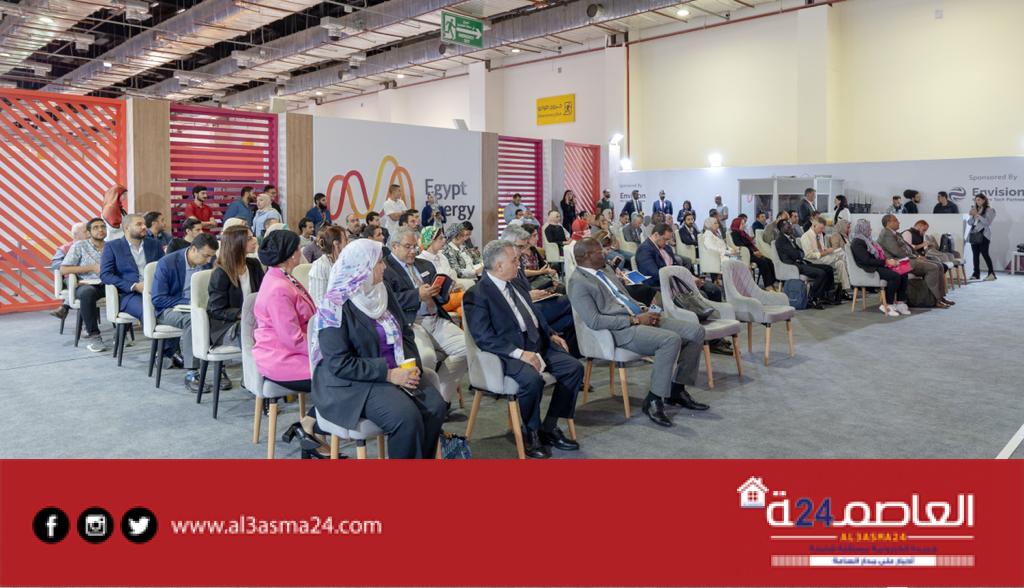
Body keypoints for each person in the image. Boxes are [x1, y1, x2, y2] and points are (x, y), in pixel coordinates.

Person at [311, 239, 446, 459]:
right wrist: (389, 374)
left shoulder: (382, 291)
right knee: (406, 417)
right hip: (354, 382)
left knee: (436, 407)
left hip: (394, 371)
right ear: (361, 267)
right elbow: (339, 363)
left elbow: (405, 333)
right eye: (379, 262)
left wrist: (411, 366)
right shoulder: (334, 304)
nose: (385, 267)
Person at [463, 240, 582, 458]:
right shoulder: (477, 294)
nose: (519, 264)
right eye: (514, 260)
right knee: (531, 379)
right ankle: (531, 432)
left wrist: (551, 334)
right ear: (499, 266)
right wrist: (520, 354)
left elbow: (534, 315)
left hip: (537, 343)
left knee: (573, 368)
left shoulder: (516, 283)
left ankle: (549, 426)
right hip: (508, 353)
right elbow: (484, 337)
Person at [569, 238, 707, 426]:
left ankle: (676, 390)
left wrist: (643, 309)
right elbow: (594, 321)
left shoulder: (605, 270)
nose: (606, 253)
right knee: (670, 340)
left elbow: (623, 297)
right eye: (600, 251)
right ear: (586, 256)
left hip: (638, 317)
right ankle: (654, 399)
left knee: (696, 331)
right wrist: (634, 320)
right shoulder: (578, 283)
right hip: (620, 330)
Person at [384, 228, 468, 404]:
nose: (413, 251)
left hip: (435, 317)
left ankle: (440, 399)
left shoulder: (425, 265)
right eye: (408, 247)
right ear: (394, 246)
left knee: (469, 348)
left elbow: (441, 299)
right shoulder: (385, 268)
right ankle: (424, 402)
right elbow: (388, 301)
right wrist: (417, 295)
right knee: (426, 358)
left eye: (415, 246)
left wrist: (442, 291)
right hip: (411, 323)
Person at [253, 230, 317, 399]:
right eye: (298, 248)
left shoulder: (282, 278)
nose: (301, 252)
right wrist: (324, 348)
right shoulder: (279, 289)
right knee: (342, 373)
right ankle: (316, 416)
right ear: (291, 255)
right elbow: (293, 339)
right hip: (282, 358)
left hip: (290, 351)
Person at [152, 233, 220, 391]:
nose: (209, 260)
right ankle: (192, 373)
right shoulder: (167, 263)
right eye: (206, 256)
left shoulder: (208, 263)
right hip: (169, 309)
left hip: (200, 306)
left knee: (221, 315)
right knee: (193, 319)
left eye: (211, 256)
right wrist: (189, 303)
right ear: (193, 249)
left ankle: (220, 368)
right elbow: (158, 299)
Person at [208, 225, 264, 349]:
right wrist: (244, 314)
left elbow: (263, 294)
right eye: (249, 238)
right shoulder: (221, 273)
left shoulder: (254, 265)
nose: (255, 240)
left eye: (253, 236)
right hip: (228, 326)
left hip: (253, 321)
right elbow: (216, 310)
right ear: (237, 244)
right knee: (257, 332)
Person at [877, 214, 952, 307]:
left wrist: (918, 255)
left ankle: (941, 297)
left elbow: (909, 247)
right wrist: (915, 257)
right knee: (933, 267)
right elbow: (897, 252)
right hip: (900, 262)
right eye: (896, 220)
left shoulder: (896, 233)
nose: (899, 222)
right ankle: (935, 300)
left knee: (940, 265)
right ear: (889, 223)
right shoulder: (886, 234)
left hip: (908, 259)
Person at [100, 213, 164, 320]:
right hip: (129, 294)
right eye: (139, 224)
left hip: (156, 290)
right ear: (126, 228)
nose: (144, 227)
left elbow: (164, 268)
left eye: (144, 224)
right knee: (148, 311)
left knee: (170, 309)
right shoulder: (113, 246)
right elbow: (105, 275)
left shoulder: (154, 244)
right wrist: (134, 286)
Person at [61, 218, 108, 352]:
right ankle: (94, 336)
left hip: (107, 283)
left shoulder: (111, 246)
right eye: (96, 228)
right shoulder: (80, 246)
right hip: (86, 284)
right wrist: (91, 267)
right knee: (87, 293)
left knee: (124, 289)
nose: (100, 230)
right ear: (88, 232)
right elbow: (64, 269)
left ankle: (123, 333)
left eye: (103, 227)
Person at [849, 219, 909, 316]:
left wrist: (889, 261)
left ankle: (900, 302)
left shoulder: (867, 240)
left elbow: (877, 257)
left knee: (903, 272)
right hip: (868, 269)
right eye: (868, 228)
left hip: (876, 265)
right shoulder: (857, 242)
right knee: (895, 276)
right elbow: (866, 260)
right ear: (862, 229)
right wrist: (886, 262)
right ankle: (887, 304)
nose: (870, 229)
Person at [775, 220, 836, 310]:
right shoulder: (781, 240)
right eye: (788, 226)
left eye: (790, 226)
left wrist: (799, 254)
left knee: (828, 268)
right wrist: (799, 254)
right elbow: (795, 254)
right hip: (793, 266)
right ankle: (813, 297)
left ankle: (826, 295)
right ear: (781, 228)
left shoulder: (790, 238)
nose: (791, 228)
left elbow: (801, 252)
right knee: (821, 273)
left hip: (801, 262)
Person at [417, 226, 469, 317]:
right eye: (440, 238)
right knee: (469, 296)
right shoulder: (420, 261)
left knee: (464, 309)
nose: (444, 240)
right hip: (437, 300)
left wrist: (453, 285)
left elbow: (450, 277)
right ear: (431, 241)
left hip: (452, 294)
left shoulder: (442, 257)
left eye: (443, 237)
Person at [799, 217, 851, 295]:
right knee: (842, 254)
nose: (822, 230)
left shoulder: (819, 235)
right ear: (814, 225)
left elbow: (822, 249)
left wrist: (827, 250)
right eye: (821, 228)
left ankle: (843, 290)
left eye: (823, 228)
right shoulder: (806, 237)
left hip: (824, 257)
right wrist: (825, 253)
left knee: (840, 262)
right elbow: (809, 255)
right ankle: (851, 272)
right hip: (813, 260)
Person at [635, 223, 697, 288]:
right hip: (660, 286)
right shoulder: (644, 250)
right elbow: (655, 275)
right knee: (700, 291)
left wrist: (690, 277)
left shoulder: (666, 247)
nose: (667, 243)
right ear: (656, 235)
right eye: (665, 239)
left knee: (701, 287)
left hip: (673, 282)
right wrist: (681, 280)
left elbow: (676, 266)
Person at [49, 221, 89, 322]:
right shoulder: (64, 248)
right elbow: (55, 264)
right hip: (71, 278)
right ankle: (86, 324)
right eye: (86, 231)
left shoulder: (93, 246)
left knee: (86, 288)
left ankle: (64, 307)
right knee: (79, 286)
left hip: (89, 277)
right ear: (75, 235)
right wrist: (74, 267)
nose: (89, 233)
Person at [730, 217, 776, 288]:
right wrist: (753, 252)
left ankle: (773, 282)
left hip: (751, 252)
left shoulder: (742, 233)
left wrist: (756, 250)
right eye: (742, 224)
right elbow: (742, 246)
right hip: (746, 255)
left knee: (769, 261)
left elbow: (750, 244)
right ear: (737, 224)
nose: (743, 225)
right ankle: (768, 285)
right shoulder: (735, 234)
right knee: (763, 262)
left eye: (744, 224)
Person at [308, 225, 347, 305]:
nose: (348, 244)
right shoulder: (320, 266)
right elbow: (318, 302)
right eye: (346, 240)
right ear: (336, 244)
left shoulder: (343, 262)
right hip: (328, 311)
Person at [967, 194, 996, 280]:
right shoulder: (975, 209)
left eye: (979, 200)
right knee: (975, 255)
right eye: (976, 200)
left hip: (984, 235)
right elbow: (969, 222)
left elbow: (987, 222)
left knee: (985, 254)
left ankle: (991, 274)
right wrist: (972, 215)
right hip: (974, 235)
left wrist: (977, 215)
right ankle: (976, 274)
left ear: (984, 200)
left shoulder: (990, 210)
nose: (977, 202)